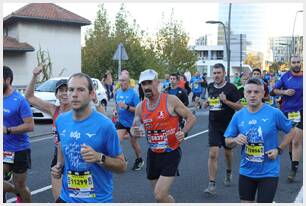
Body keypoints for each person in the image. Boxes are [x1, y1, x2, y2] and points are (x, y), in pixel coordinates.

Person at [51, 73, 126, 203]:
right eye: (71, 89)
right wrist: (59, 165)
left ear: (92, 94)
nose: (74, 94)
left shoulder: (105, 125)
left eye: (81, 90)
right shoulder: (61, 121)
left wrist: (99, 157)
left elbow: (122, 166)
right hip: (67, 197)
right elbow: (62, 144)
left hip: (96, 200)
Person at [224, 78, 298, 203]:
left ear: (263, 94)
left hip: (269, 171)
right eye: (249, 92)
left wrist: (279, 149)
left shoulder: (274, 113)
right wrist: (235, 139)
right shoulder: (238, 115)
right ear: (244, 94)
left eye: (256, 92)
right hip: (246, 171)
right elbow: (227, 141)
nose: (252, 95)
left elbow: (292, 131)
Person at [132, 69, 196, 203]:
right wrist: (134, 131)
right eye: (143, 84)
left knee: (160, 195)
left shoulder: (170, 100)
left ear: (157, 82)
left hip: (171, 152)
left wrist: (183, 132)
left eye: (149, 82)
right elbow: (134, 127)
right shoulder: (140, 107)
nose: (146, 87)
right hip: (153, 154)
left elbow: (191, 117)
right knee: (160, 198)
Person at [203, 63, 242, 195]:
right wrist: (206, 103)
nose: (216, 75)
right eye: (214, 73)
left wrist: (226, 102)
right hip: (213, 125)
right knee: (213, 153)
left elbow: (240, 107)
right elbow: (211, 101)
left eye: (219, 73)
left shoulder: (231, 88)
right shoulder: (210, 87)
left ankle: (229, 171)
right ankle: (211, 184)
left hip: (228, 126)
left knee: (227, 152)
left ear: (224, 73)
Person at [3, 66, 34, 203]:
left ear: (7, 80)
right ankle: (14, 190)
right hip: (3, 149)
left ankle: (19, 192)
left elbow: (30, 125)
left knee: (20, 185)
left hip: (19, 150)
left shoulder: (19, 100)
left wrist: (8, 130)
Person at [271, 55, 303, 182]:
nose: (296, 64)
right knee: (290, 140)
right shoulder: (285, 76)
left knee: (296, 140)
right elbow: (273, 91)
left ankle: (294, 169)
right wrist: (284, 92)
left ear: (301, 63)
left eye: (298, 62)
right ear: (290, 64)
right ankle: (293, 162)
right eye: (293, 62)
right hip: (286, 112)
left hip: (301, 112)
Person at [114, 74, 144, 170]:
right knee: (116, 141)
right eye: (120, 80)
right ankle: (123, 159)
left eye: (123, 81)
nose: (121, 83)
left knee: (133, 143)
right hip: (121, 122)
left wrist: (126, 107)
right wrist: (115, 111)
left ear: (128, 82)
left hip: (132, 122)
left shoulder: (133, 94)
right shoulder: (118, 92)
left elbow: (139, 110)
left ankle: (139, 160)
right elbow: (117, 104)